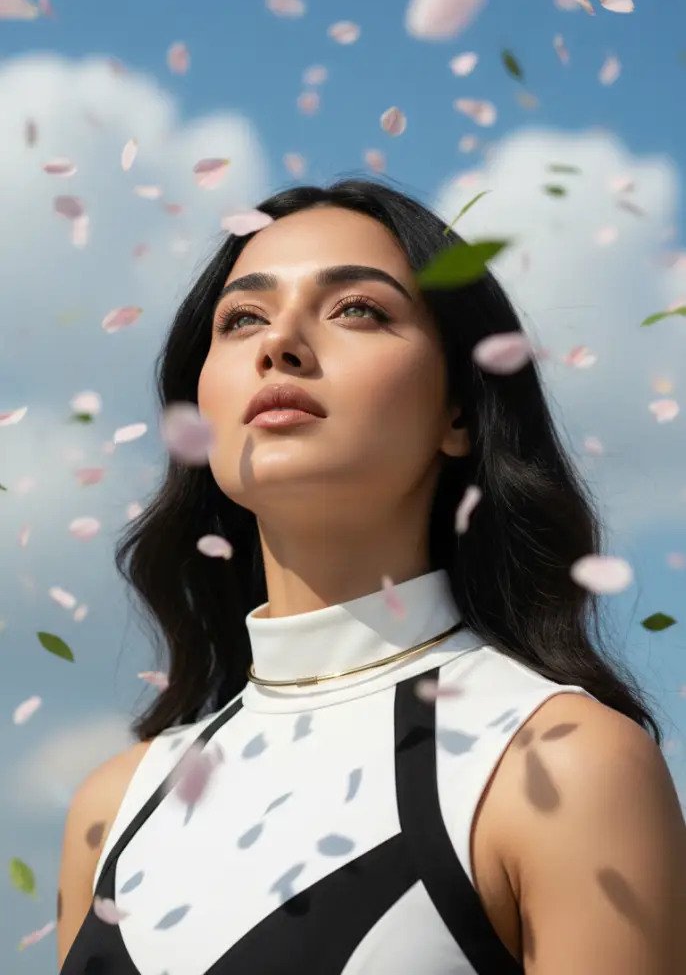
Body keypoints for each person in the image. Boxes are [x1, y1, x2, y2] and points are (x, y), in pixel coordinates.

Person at [58, 177, 686, 974]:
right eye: (242, 317)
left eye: (357, 308)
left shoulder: (560, 762)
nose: (278, 345)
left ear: (460, 412)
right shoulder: (112, 807)